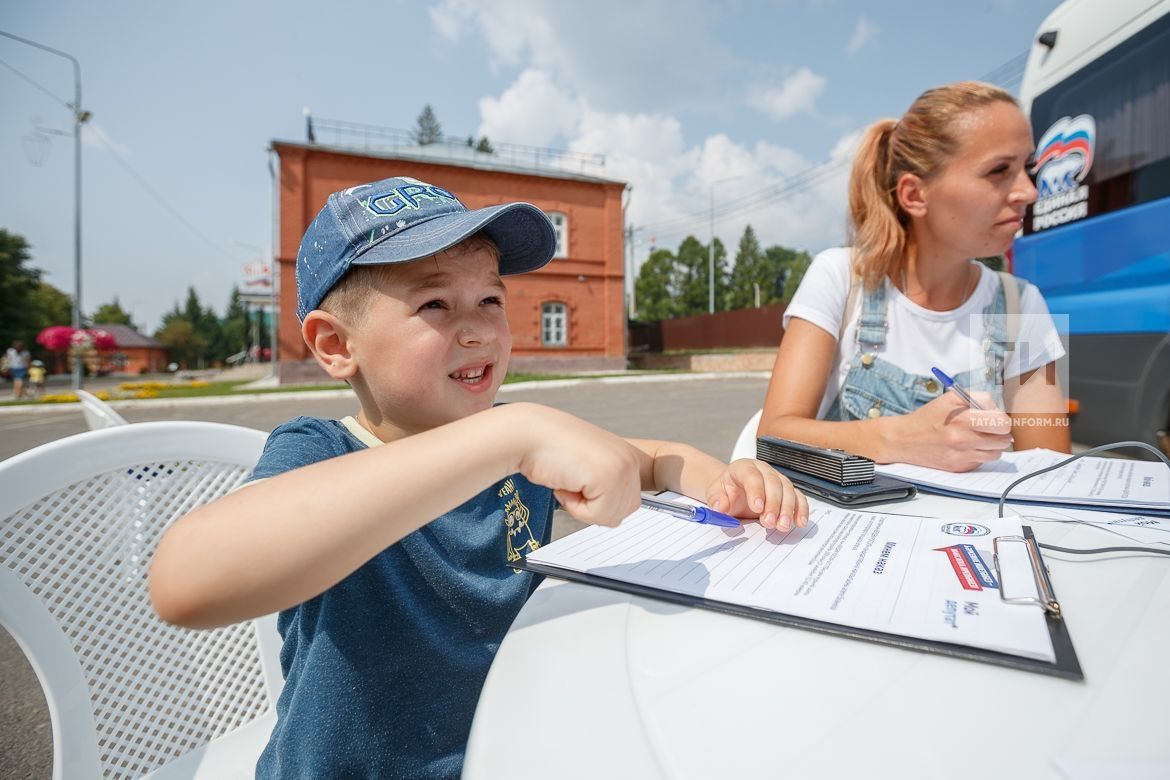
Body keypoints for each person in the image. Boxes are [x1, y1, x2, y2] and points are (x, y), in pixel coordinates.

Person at [149, 176, 808, 778]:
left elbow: (657, 459)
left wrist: (727, 480)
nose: (478, 330)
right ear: (334, 345)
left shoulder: (517, 442)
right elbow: (184, 581)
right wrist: (507, 435)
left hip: (507, 749)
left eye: (491, 299)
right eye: (435, 304)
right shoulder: (322, 452)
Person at [760, 81, 1069, 473]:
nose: (1028, 192)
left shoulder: (1024, 304)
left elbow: (1051, 471)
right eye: (998, 171)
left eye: (1027, 168)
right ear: (914, 195)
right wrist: (902, 438)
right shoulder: (840, 276)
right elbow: (773, 434)